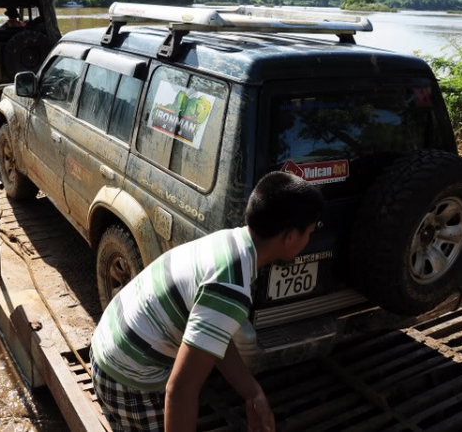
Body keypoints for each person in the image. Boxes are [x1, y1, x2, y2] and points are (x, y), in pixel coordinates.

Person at [90, 171, 324, 432]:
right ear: (290, 236)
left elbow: (214, 339)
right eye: (309, 234)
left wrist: (252, 391)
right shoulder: (231, 286)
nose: (308, 242)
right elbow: (179, 391)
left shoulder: (231, 243)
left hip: (109, 344)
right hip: (125, 378)